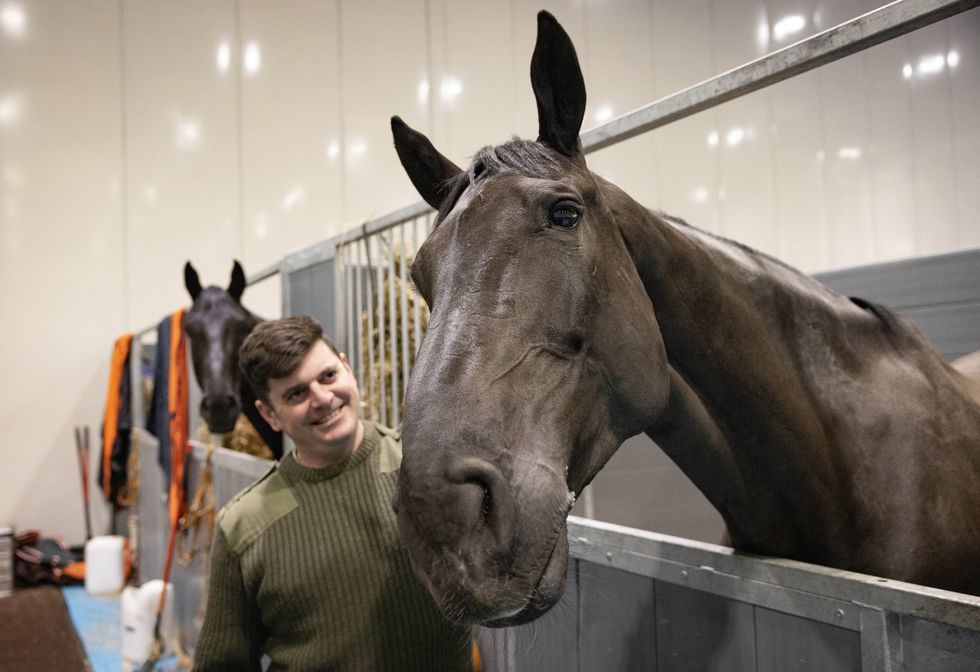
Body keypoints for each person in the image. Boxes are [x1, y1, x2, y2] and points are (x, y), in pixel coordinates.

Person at [192, 316, 473, 672]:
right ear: (269, 415)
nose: (323, 399)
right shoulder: (245, 526)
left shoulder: (426, 466)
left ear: (346, 367)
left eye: (328, 376)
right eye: (296, 393)